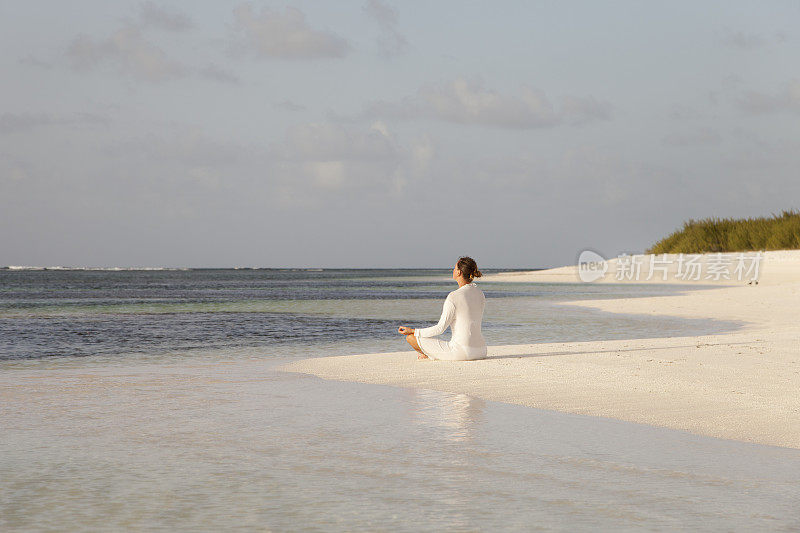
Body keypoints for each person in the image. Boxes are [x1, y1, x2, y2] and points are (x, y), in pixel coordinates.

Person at [398, 256, 488, 361]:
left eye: (454, 268)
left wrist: (414, 331)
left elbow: (440, 329)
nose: (453, 270)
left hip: (463, 353)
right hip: (481, 351)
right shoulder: (480, 293)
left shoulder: (453, 296)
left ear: (459, 272)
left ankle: (427, 354)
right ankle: (430, 354)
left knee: (411, 338)